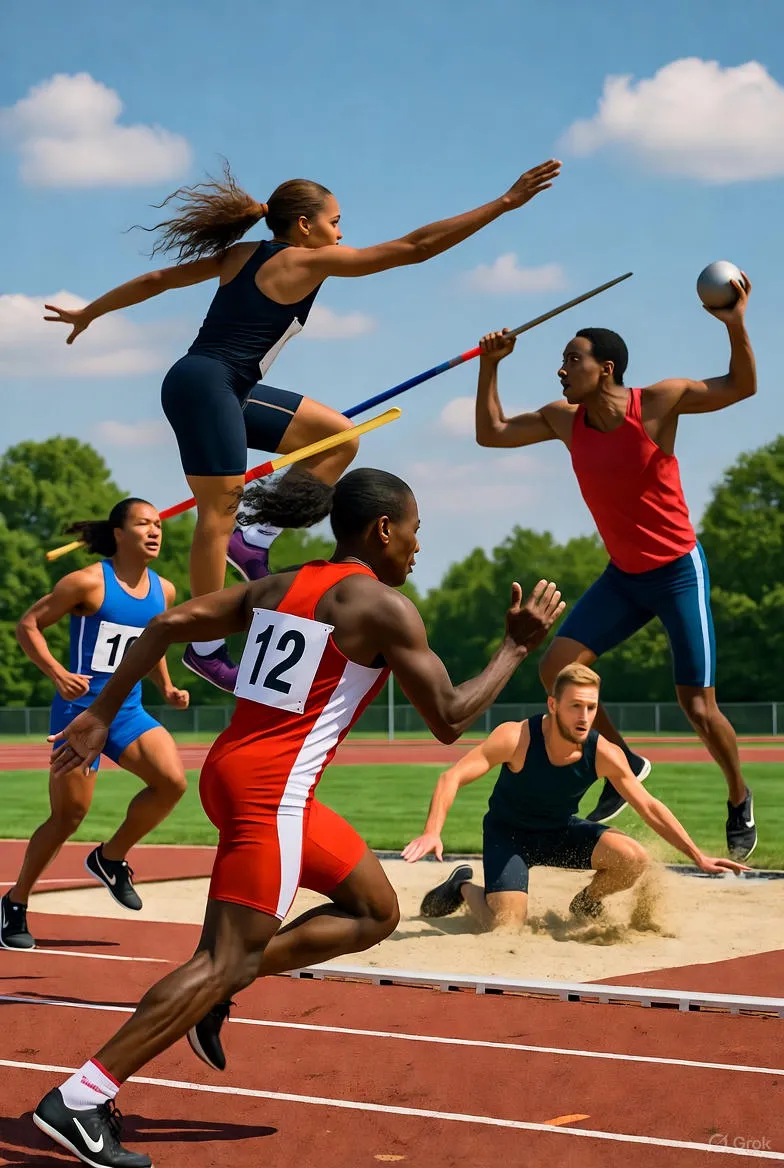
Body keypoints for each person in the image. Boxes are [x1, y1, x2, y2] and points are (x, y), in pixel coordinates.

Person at [32, 467, 564, 1167]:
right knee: (221, 959)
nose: (416, 547)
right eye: (415, 531)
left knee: (375, 911)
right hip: (272, 792)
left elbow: (165, 624)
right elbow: (451, 717)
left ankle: (223, 988)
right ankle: (79, 1098)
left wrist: (102, 711)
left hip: (241, 775)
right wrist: (516, 649)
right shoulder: (383, 607)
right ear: (382, 530)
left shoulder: (283, 584)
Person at [44, 158, 561, 692]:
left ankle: (254, 539)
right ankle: (204, 648)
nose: (342, 232)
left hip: (224, 387)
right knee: (214, 514)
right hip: (205, 386)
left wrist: (92, 312)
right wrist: (504, 203)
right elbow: (415, 248)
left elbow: (157, 280)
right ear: (305, 226)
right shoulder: (304, 262)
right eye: (335, 222)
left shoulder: (244, 254)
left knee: (338, 437)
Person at [473, 274, 758, 860]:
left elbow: (742, 387)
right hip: (624, 578)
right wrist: (490, 365)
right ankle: (625, 763)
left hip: (678, 570)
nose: (561, 370)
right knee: (554, 671)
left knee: (698, 707)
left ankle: (738, 794)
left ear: (605, 368)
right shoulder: (562, 420)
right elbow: (490, 434)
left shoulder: (658, 402)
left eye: (571, 360)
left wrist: (735, 323)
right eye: (561, 361)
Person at [404, 663, 748, 930]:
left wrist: (697, 856)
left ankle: (586, 902)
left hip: (558, 832)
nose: (584, 717)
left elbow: (648, 806)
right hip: (508, 836)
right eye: (575, 706)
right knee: (505, 924)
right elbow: (453, 777)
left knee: (633, 858)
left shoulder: (603, 752)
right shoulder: (516, 737)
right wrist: (433, 830)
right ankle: (462, 886)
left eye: (591, 707)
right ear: (553, 705)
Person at [0, 499, 189, 951]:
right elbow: (28, 625)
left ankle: (110, 857)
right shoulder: (86, 582)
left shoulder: (165, 591)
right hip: (79, 716)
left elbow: (153, 643)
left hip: (127, 711)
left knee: (172, 783)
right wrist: (57, 674)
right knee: (69, 816)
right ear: (119, 533)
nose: (155, 531)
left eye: (158, 524)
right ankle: (15, 901)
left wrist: (164, 686)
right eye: (144, 523)